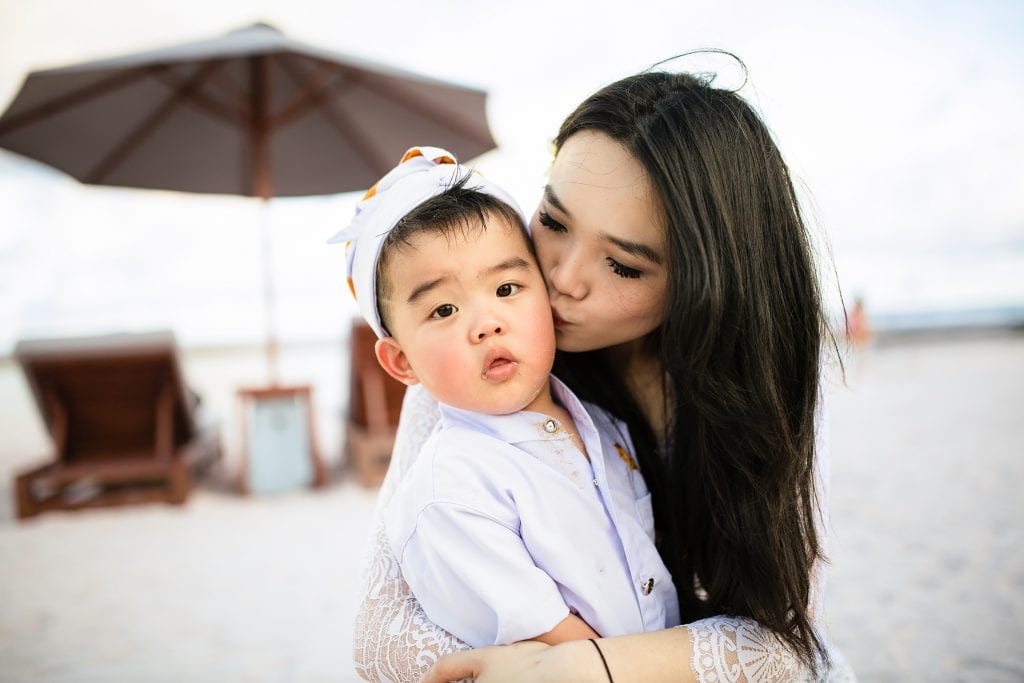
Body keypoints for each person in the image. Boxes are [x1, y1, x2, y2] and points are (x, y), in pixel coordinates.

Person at [354, 64, 856, 682]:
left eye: (623, 266)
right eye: (556, 223)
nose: (562, 278)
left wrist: (585, 667)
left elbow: (786, 647)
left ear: (704, 286)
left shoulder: (767, 389)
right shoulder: (476, 369)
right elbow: (381, 639)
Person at [332, 147, 678, 650]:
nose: (487, 322)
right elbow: (561, 650)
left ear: (547, 292)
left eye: (508, 287)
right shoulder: (452, 492)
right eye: (444, 309)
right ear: (401, 362)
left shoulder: (602, 422)